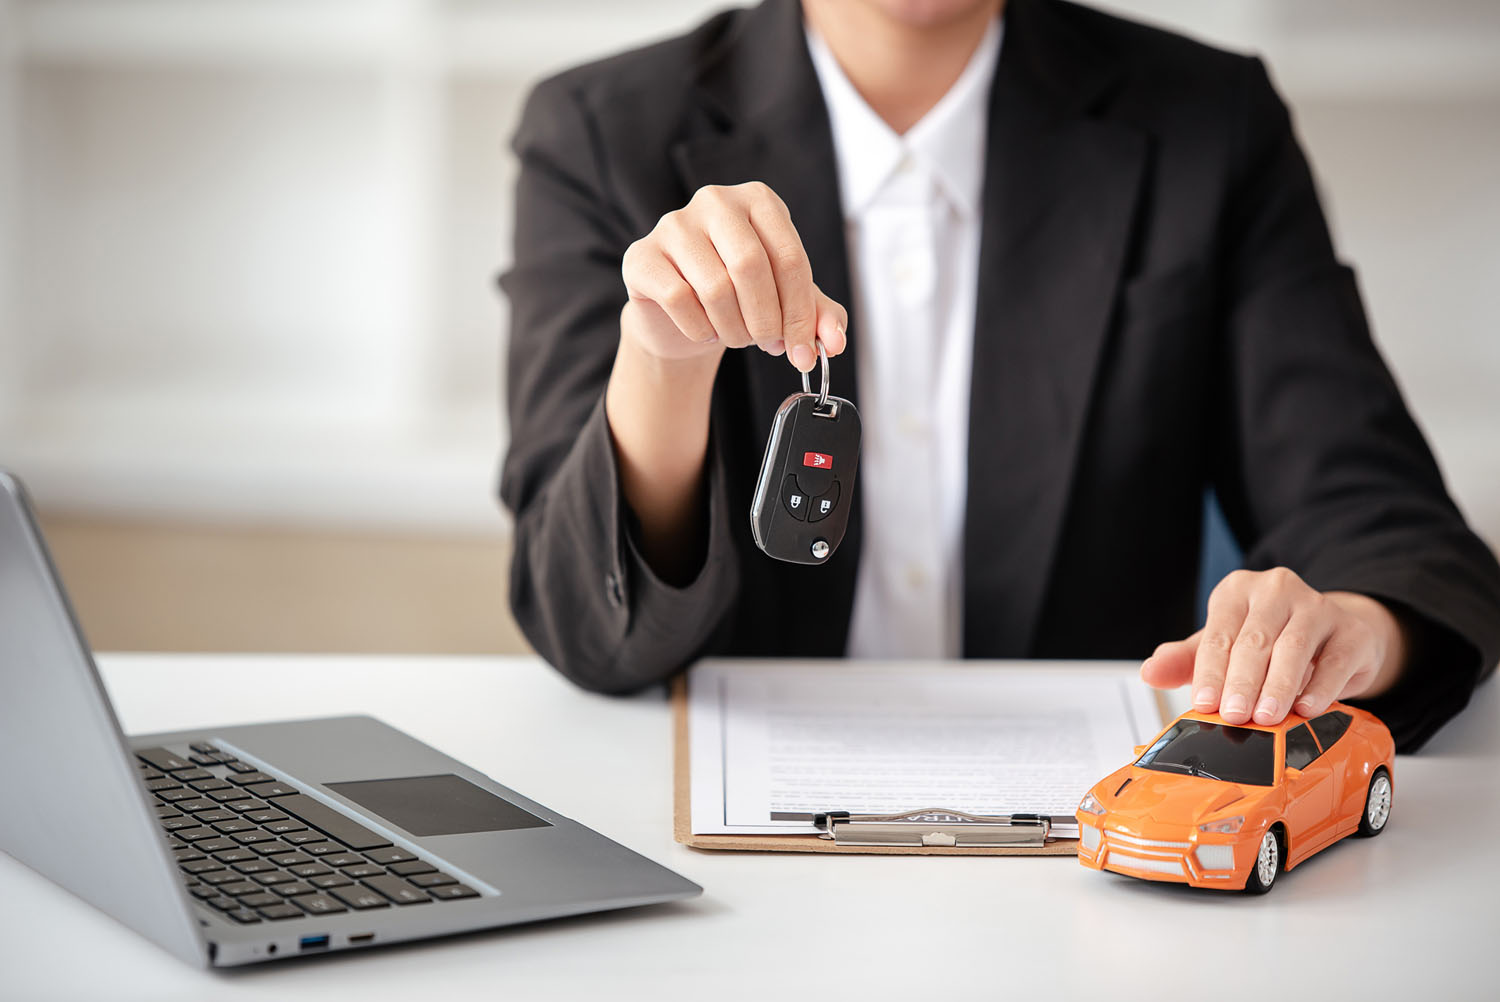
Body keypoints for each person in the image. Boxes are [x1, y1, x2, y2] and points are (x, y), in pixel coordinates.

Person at [498, 0, 1500, 752]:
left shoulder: (1211, 124)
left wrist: (1353, 627)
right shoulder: (598, 130)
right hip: (715, 831)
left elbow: (1385, 522)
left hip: (1104, 839)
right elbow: (582, 620)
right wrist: (664, 362)